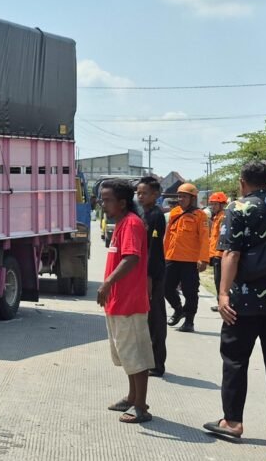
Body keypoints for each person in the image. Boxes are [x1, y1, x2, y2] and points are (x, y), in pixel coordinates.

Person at [203, 161, 266, 441]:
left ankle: (232, 422)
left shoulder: (239, 207)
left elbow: (231, 254)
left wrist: (222, 294)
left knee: (235, 360)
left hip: (242, 302)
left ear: (242, 182)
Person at [97, 179, 154, 424]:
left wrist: (107, 283)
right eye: (102, 198)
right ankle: (132, 397)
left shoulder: (131, 223)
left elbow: (131, 258)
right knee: (126, 355)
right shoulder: (121, 223)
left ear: (122, 202)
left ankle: (141, 405)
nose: (102, 203)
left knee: (136, 356)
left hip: (129, 302)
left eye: (107, 199)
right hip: (118, 301)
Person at [163, 183, 209, 332]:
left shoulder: (200, 215)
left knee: (190, 292)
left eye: (184, 196)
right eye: (179, 196)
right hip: (172, 258)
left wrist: (204, 259)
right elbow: (168, 236)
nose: (180, 199)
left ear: (192, 198)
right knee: (166, 287)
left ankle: (189, 322)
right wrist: (163, 256)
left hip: (190, 261)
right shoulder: (174, 212)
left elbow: (204, 238)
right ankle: (178, 309)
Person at [136, 177, 167, 377]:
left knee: (156, 318)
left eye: (144, 193)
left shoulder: (155, 215)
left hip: (154, 274)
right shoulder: (144, 213)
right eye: (138, 192)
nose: (140, 196)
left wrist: (148, 277)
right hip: (146, 273)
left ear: (155, 195)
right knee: (147, 319)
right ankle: (149, 360)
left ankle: (157, 364)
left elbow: (154, 250)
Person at [207, 192, 230, 312]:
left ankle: (222, 303)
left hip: (220, 255)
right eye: (212, 204)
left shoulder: (223, 217)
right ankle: (220, 303)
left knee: (220, 281)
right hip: (215, 254)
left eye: (215, 204)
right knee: (217, 280)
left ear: (222, 204)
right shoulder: (216, 217)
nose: (212, 206)